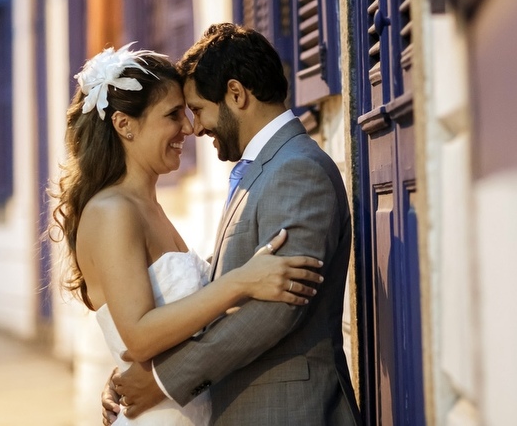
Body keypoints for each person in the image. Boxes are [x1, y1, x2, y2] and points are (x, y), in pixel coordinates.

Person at [49, 43, 324, 426]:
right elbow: (140, 337)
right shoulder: (112, 211)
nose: (189, 128)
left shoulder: (149, 208)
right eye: (173, 115)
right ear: (124, 125)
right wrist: (240, 282)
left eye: (189, 112)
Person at [106, 24, 361, 425]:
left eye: (198, 109)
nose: (195, 127)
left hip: (290, 412)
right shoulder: (260, 169)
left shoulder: (296, 170)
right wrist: (134, 377)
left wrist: (161, 381)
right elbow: (217, 285)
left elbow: (274, 311)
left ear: (236, 94)